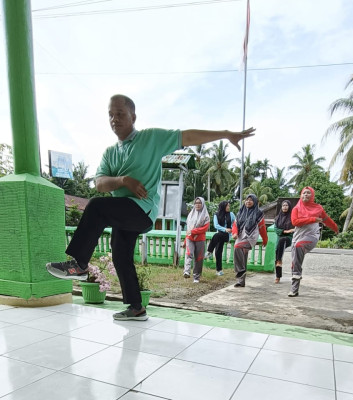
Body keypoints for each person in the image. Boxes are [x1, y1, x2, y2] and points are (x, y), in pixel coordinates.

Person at [46, 94, 255, 321]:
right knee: (120, 253)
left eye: (120, 114)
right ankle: (136, 307)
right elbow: (99, 184)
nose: (114, 119)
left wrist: (225, 134)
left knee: (96, 208)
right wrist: (124, 180)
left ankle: (79, 264)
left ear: (133, 116)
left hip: (142, 211)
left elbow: (189, 136)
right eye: (110, 115)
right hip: (122, 213)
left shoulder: (151, 139)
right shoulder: (110, 153)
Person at [289, 186, 338, 297]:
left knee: (299, 246)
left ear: (312, 195)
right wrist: (313, 219)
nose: (306, 195)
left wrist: (335, 228)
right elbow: (295, 222)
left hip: (311, 236)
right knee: (294, 263)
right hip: (297, 237)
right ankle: (294, 289)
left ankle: (294, 285)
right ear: (301, 195)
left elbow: (327, 220)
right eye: (304, 193)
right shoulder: (296, 209)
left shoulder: (318, 209)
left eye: (308, 193)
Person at [231, 194, 268, 287]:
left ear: (255, 202)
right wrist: (234, 233)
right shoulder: (240, 212)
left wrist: (265, 239)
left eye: (251, 200)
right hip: (240, 236)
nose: (248, 201)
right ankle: (241, 282)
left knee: (237, 247)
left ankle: (240, 271)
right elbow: (235, 225)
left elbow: (262, 227)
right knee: (243, 258)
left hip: (250, 237)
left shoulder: (258, 213)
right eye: (247, 200)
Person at [204, 200, 235, 276]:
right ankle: (219, 270)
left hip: (227, 235)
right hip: (220, 235)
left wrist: (232, 231)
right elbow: (216, 225)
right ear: (223, 206)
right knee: (218, 251)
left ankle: (209, 251)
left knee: (216, 235)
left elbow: (235, 224)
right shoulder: (216, 215)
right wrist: (225, 229)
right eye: (227, 206)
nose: (228, 207)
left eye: (229, 206)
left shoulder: (231, 214)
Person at [183, 197, 210, 283]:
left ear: (202, 204)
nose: (197, 204)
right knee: (188, 253)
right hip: (189, 238)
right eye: (196, 203)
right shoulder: (190, 215)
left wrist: (193, 231)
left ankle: (196, 276)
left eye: (199, 203)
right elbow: (188, 229)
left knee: (198, 258)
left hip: (200, 239)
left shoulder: (206, 216)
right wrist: (185, 240)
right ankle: (186, 271)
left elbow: (204, 228)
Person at [274, 200, 295, 284]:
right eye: (283, 205)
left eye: (286, 205)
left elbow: (296, 227)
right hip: (280, 237)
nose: (285, 207)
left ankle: (279, 260)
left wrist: (290, 231)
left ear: (289, 207)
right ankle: (277, 276)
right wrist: (284, 231)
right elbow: (276, 229)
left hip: (289, 238)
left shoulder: (293, 217)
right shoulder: (277, 218)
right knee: (277, 253)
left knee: (282, 241)